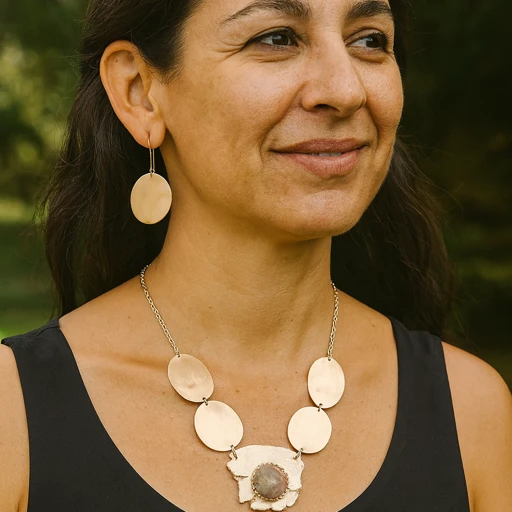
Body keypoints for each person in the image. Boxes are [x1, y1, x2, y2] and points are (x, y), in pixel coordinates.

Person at [1, 0, 511, 510]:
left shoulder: (472, 413)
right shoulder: (13, 417)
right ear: (140, 92)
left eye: (369, 40)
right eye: (276, 38)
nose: (346, 90)